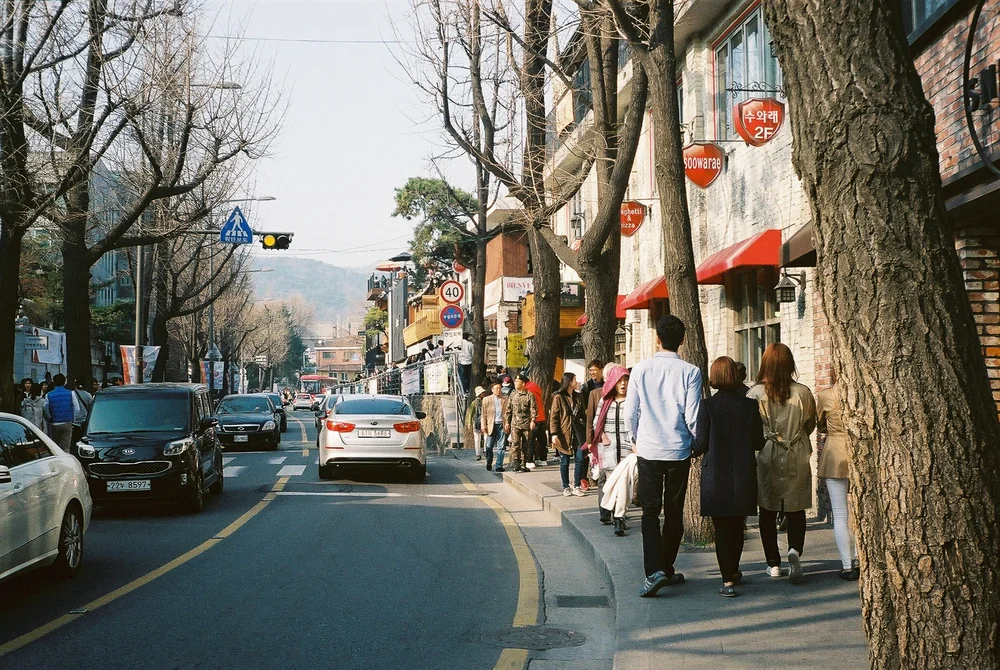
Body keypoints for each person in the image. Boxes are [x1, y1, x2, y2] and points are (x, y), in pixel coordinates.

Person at [624, 315, 703, 598]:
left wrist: (635, 439)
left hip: (648, 449)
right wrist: (695, 441)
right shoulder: (691, 372)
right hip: (678, 449)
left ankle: (653, 572)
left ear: (657, 338)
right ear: (682, 340)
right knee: (673, 511)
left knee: (649, 512)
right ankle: (666, 568)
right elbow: (693, 414)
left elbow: (629, 411)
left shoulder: (641, 369)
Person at [693, 357, 765, 597]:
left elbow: (701, 443)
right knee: (738, 525)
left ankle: (727, 580)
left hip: (716, 473)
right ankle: (734, 570)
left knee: (721, 528)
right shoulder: (749, 406)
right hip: (743, 472)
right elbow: (758, 441)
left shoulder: (707, 406)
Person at [748, 343, 817, 585]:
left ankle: (773, 563)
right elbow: (811, 424)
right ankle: (794, 551)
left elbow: (751, 429)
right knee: (796, 509)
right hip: (796, 452)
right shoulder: (803, 392)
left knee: (767, 510)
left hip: (767, 454)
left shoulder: (755, 394)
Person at [816, 374, 858, 580]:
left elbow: (820, 424)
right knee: (862, 513)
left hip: (834, 452)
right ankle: (862, 560)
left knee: (840, 514)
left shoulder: (826, 395)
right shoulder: (861, 391)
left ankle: (847, 565)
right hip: (859, 451)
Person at [590, 365, 634, 535]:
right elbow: (596, 422)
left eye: (626, 380)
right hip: (608, 451)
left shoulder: (633, 400)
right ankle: (618, 517)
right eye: (620, 380)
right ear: (613, 382)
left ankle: (619, 518)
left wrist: (634, 444)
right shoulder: (605, 401)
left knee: (623, 484)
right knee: (612, 485)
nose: (623, 384)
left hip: (628, 451)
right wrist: (602, 437)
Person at [549, 373, 584, 497]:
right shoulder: (558, 397)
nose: (576, 381)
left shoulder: (579, 396)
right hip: (564, 433)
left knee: (580, 459)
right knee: (565, 461)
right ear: (569, 382)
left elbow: (583, 415)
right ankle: (566, 486)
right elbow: (554, 417)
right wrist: (554, 434)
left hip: (578, 433)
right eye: (575, 379)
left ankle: (577, 485)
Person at [502, 373, 537, 473]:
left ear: (523, 383)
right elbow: (508, 409)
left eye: (518, 382)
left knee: (526, 445)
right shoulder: (513, 394)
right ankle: (516, 462)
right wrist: (507, 422)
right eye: (515, 381)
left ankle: (524, 463)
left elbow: (533, 409)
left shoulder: (529, 395)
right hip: (515, 424)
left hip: (526, 424)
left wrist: (533, 420)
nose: (516, 383)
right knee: (515, 444)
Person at [42, 374, 81, 451]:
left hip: (54, 424)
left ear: (54, 382)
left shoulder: (48, 395)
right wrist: (73, 418)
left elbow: (45, 408)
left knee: (55, 446)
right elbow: (77, 408)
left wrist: (49, 419)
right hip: (67, 422)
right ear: (65, 382)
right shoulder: (71, 393)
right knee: (66, 446)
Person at [481, 381, 507, 471]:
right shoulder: (486, 399)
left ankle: (499, 465)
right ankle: (489, 462)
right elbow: (483, 414)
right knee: (489, 446)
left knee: (501, 446)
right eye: (496, 388)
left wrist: (507, 423)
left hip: (501, 424)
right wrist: (483, 425)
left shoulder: (505, 399)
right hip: (491, 425)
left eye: (500, 388)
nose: (498, 390)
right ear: (492, 390)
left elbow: (508, 413)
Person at [524, 377, 547, 469]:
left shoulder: (528, 391)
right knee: (542, 440)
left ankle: (530, 460)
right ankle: (543, 459)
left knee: (531, 440)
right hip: (541, 417)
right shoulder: (536, 388)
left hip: (533, 419)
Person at [468, 386, 488, 461]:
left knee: (486, 438)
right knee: (477, 440)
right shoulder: (474, 403)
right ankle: (478, 454)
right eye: (482, 393)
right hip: (476, 422)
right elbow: (470, 413)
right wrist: (469, 422)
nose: (484, 393)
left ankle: (486, 451)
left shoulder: (486, 401)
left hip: (485, 422)